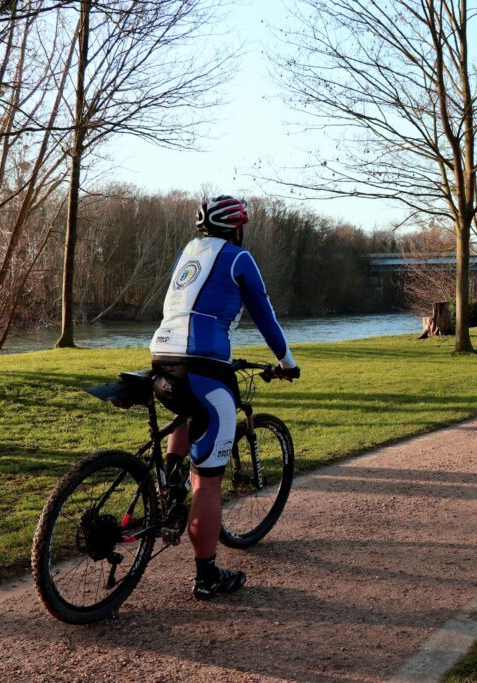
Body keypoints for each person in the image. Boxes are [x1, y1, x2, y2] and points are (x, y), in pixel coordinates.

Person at [149, 194, 300, 600]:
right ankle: (207, 575)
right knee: (209, 484)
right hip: (204, 363)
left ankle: (169, 482)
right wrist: (286, 362)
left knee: (185, 411)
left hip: (162, 356)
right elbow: (264, 314)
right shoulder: (239, 257)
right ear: (237, 227)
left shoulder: (188, 252)